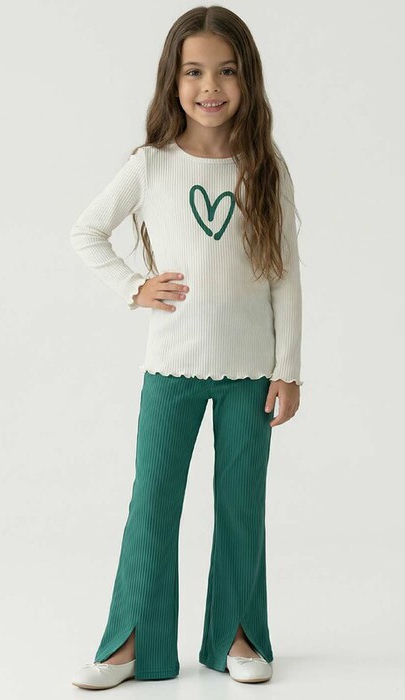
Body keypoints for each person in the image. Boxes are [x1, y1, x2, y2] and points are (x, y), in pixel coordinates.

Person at [69, 5, 303, 691]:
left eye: (226, 71)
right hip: (170, 366)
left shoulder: (265, 167)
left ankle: (237, 633)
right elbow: (86, 232)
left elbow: (286, 276)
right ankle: (131, 642)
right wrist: (134, 287)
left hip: (251, 372)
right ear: (172, 80)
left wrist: (288, 369)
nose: (210, 87)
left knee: (241, 506)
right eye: (194, 71)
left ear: (247, 79)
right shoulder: (150, 166)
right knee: (152, 505)